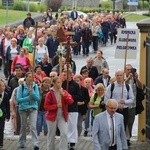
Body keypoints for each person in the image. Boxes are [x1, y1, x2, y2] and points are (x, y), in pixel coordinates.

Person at [44, 76, 73, 150]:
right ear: (53, 83)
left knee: (64, 133)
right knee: (51, 134)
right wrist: (56, 106)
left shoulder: (64, 92)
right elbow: (46, 107)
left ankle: (63, 148)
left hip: (62, 116)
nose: (59, 84)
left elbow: (70, 101)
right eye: (57, 82)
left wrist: (64, 95)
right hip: (52, 116)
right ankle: (50, 148)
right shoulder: (50, 93)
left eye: (60, 82)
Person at [104, 69, 134, 135]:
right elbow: (106, 100)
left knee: (123, 127)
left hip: (124, 110)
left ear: (123, 76)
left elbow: (132, 99)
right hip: (114, 110)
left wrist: (125, 101)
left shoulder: (127, 86)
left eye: (121, 75)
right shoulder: (111, 87)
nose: (119, 77)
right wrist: (116, 105)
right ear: (115, 76)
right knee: (114, 127)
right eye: (118, 75)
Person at [16, 72, 40, 150]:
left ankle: (35, 144)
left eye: (32, 77)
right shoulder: (21, 87)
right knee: (23, 126)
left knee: (33, 126)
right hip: (23, 108)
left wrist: (32, 92)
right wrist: (28, 98)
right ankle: (22, 142)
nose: (31, 79)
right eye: (29, 77)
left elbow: (37, 98)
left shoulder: (35, 86)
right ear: (26, 78)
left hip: (33, 108)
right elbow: (18, 99)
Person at [125, 64, 142, 146]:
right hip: (125, 106)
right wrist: (128, 78)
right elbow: (121, 85)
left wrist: (136, 78)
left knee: (130, 122)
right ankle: (126, 138)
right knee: (124, 122)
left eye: (130, 69)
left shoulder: (134, 79)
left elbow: (140, 87)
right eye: (127, 69)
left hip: (133, 105)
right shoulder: (123, 78)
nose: (129, 71)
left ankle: (128, 137)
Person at [0, 81, 10, 149]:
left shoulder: (6, 94)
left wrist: (8, 115)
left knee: (1, 129)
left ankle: (1, 143)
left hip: (2, 114)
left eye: (4, 86)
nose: (4, 87)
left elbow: (7, 105)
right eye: (2, 86)